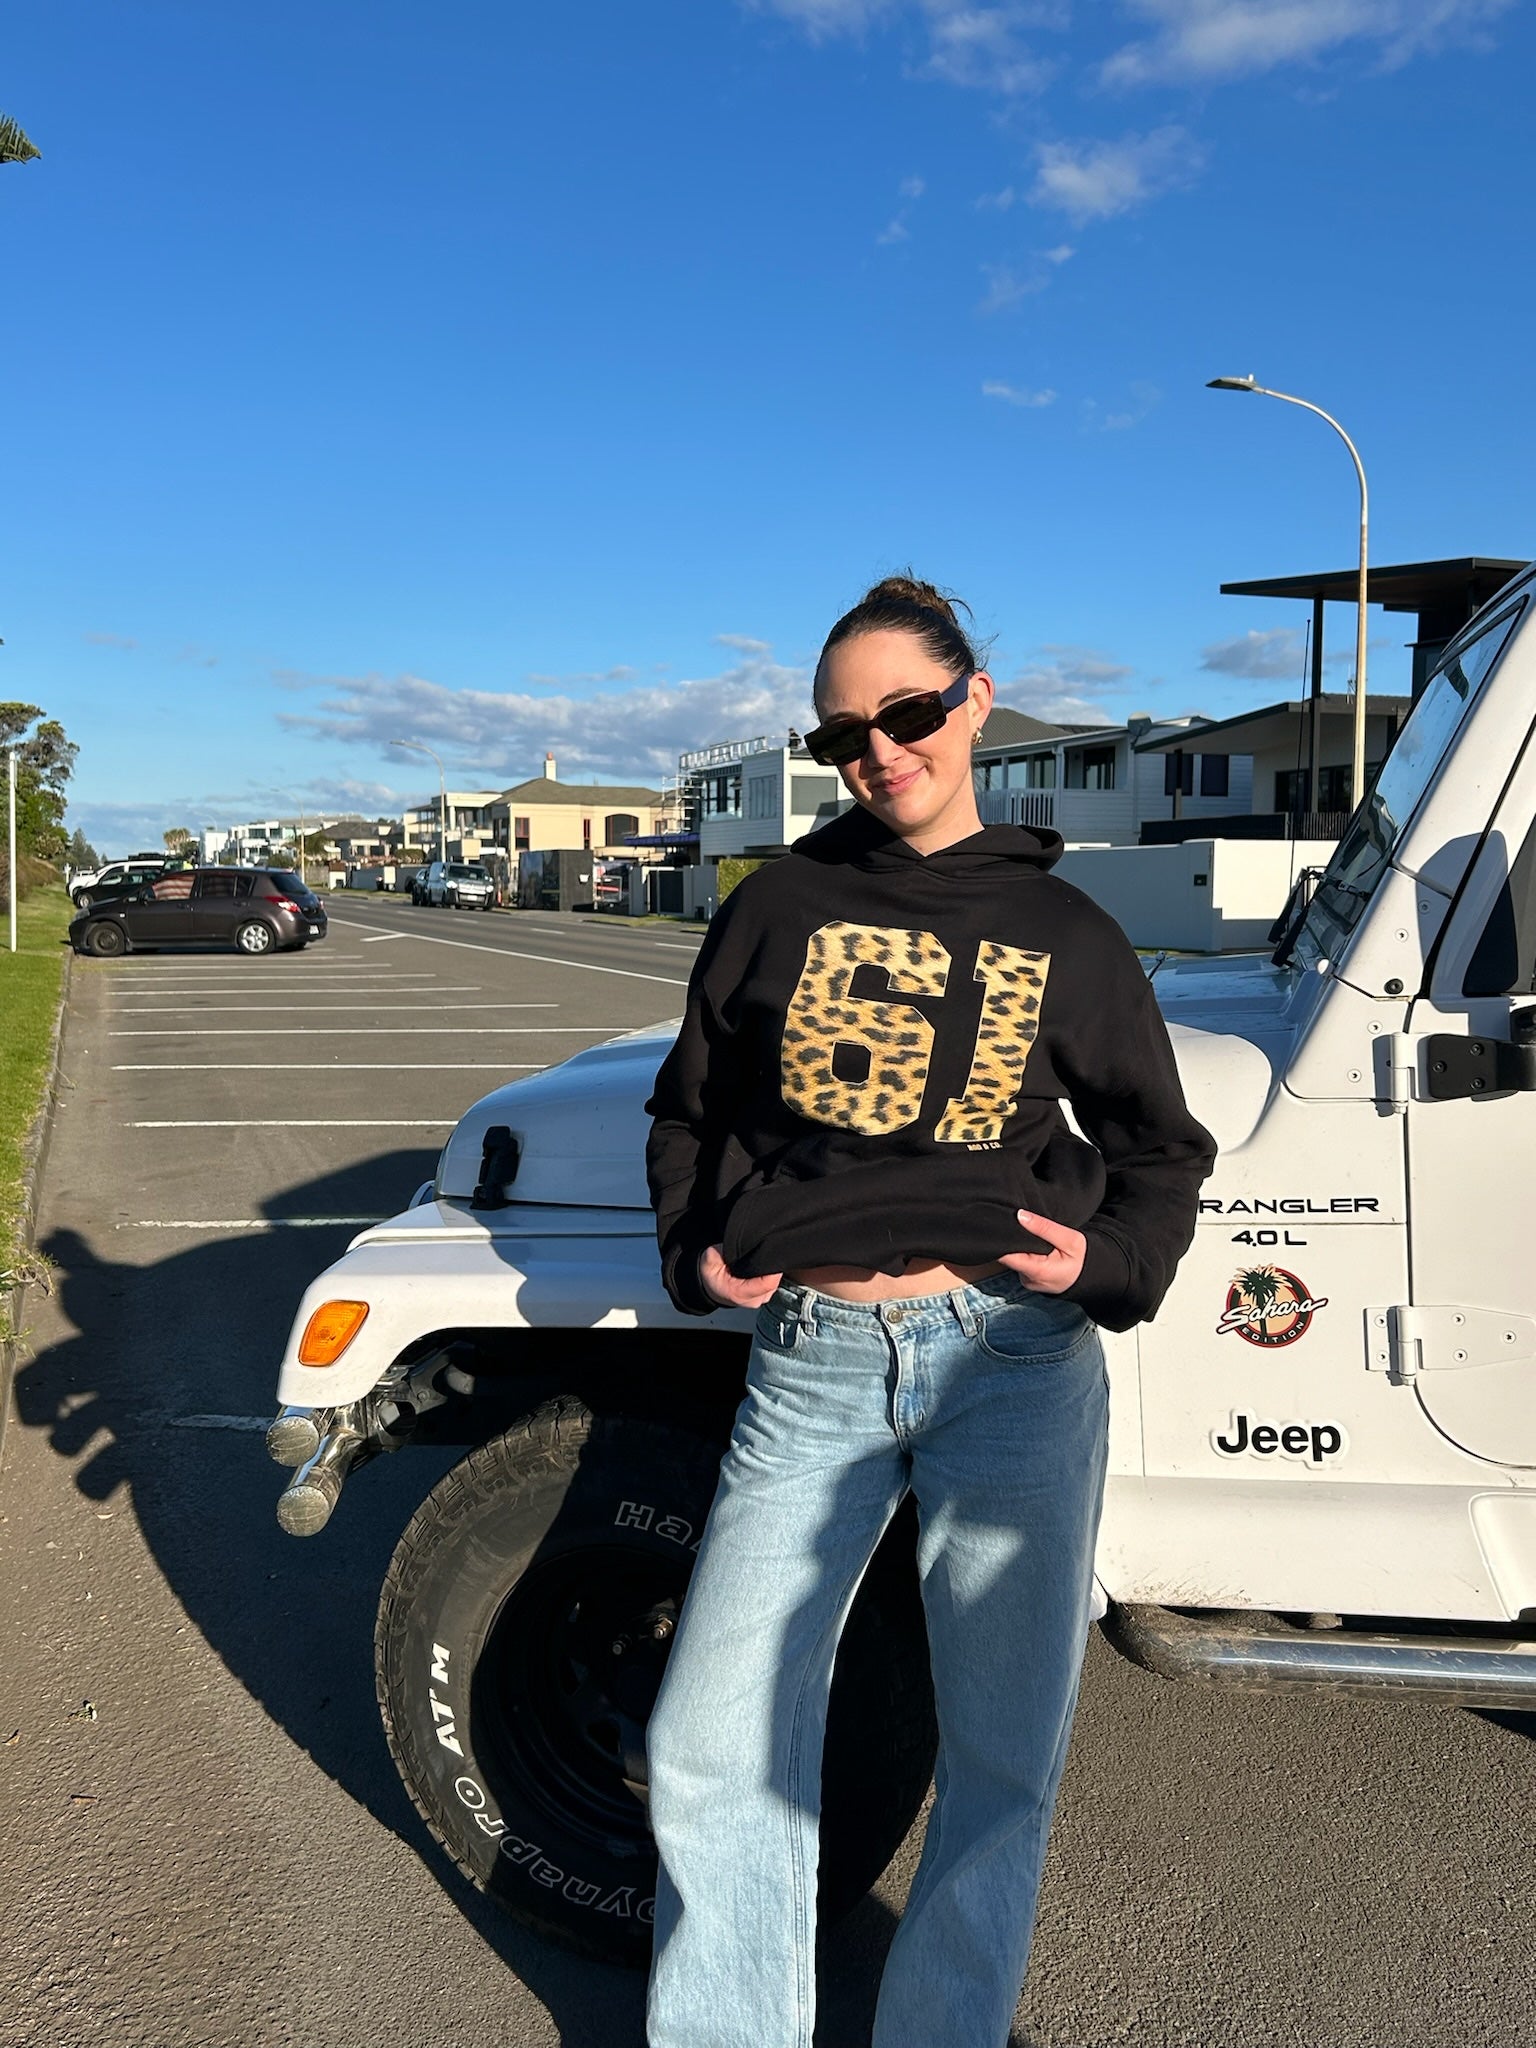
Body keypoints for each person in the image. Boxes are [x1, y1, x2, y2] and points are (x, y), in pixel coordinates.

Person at [643, 575, 1216, 2048]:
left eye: (906, 714)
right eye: (844, 734)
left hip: (1009, 1363)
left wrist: (1097, 1270)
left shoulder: (1065, 933)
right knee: (711, 1747)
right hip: (813, 1362)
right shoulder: (780, 905)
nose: (879, 753)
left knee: (1001, 1760)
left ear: (971, 705)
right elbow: (691, 1112)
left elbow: (1161, 1150)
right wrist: (698, 1246)